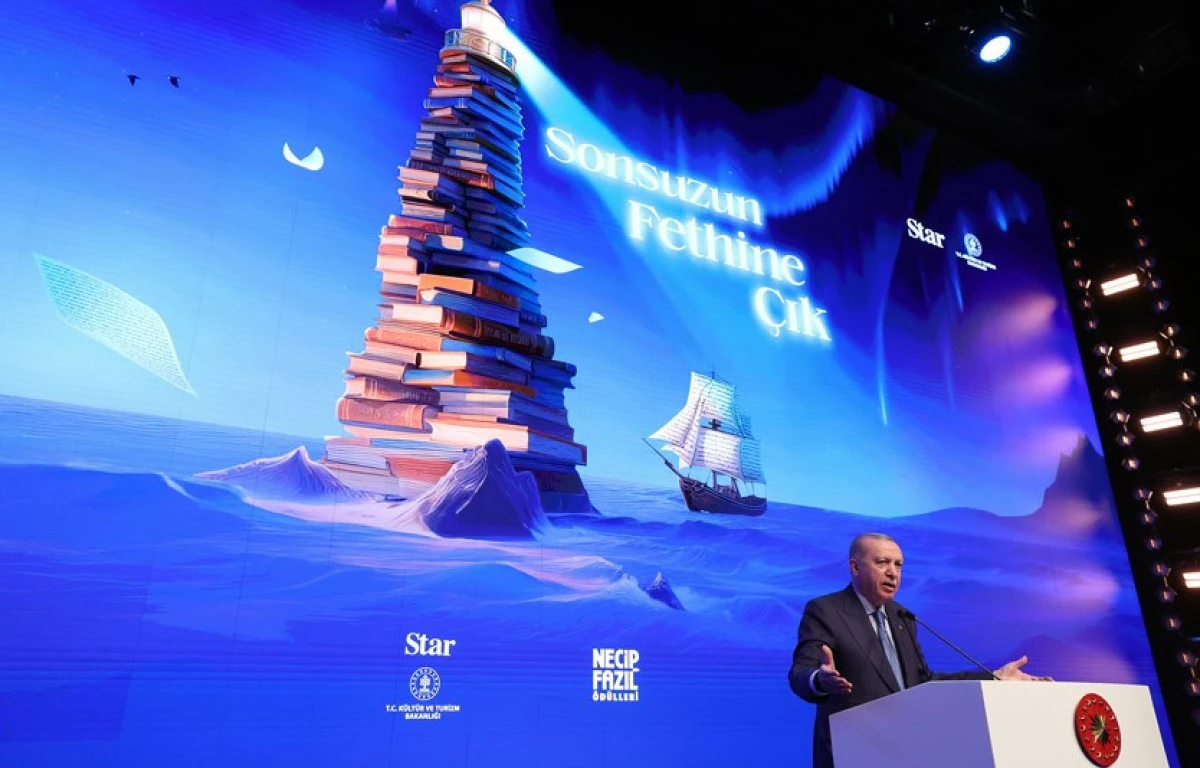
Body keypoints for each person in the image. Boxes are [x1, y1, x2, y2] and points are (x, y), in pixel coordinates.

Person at [788, 533, 1051, 768]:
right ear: (855, 567)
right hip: (851, 753)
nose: (893, 573)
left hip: (902, 752)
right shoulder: (826, 610)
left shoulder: (902, 617)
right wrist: (819, 680)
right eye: (882, 563)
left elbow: (923, 682)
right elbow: (801, 672)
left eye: (898, 565)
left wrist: (993, 677)